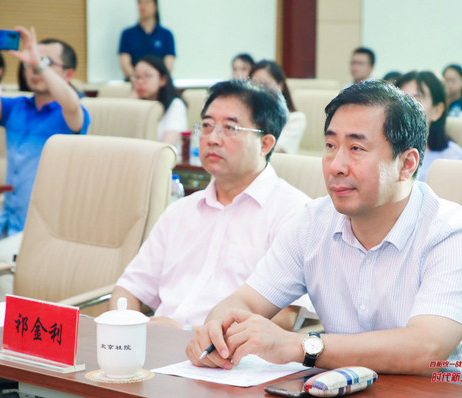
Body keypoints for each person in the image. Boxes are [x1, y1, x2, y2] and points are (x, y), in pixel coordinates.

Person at [186, 80, 462, 378]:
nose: (335, 165)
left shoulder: (452, 234)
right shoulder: (311, 223)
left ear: (406, 164)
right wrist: (217, 331)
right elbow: (244, 302)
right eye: (330, 145)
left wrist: (298, 346)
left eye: (356, 148)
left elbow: (426, 348)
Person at [111, 80, 312, 330]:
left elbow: (284, 319)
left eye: (229, 128)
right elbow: (129, 289)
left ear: (265, 144)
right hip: (155, 345)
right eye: (207, 126)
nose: (212, 139)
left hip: (229, 353)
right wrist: (125, 332)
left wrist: (186, 335)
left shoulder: (294, 213)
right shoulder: (181, 211)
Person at [0, 27, 90, 299]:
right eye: (32, 61)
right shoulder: (16, 107)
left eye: (47, 61)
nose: (35, 68)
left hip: (46, 226)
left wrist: (38, 62)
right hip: (6, 219)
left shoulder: (71, 113)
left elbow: (72, 104)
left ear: (68, 75)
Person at [396, 70, 462, 181]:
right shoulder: (381, 150)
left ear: (437, 111)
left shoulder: (453, 158)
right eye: (401, 100)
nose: (405, 108)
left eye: (416, 101)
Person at [250, 60, 306, 154]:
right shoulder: (246, 115)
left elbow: (275, 150)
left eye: (265, 85)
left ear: (280, 86)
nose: (259, 90)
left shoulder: (296, 118)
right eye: (254, 85)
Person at [131, 55, 187, 145]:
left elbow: (167, 145)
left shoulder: (175, 105)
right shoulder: (136, 104)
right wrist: (131, 103)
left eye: (147, 76)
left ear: (162, 80)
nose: (140, 81)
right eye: (137, 76)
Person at [118, 0, 176, 80]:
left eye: (147, 3)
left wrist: (154, 81)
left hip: (158, 84)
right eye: (140, 3)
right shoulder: (128, 34)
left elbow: (168, 65)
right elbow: (125, 64)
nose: (143, 6)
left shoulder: (166, 34)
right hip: (134, 82)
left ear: (155, 6)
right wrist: (139, 79)